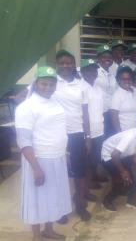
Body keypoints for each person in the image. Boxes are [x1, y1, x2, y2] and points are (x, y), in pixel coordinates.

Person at [15, 66, 71, 241]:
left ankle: (49, 229)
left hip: (58, 156)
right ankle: (36, 236)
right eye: (43, 84)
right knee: (37, 198)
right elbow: (24, 141)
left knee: (53, 196)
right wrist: (35, 168)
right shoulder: (26, 107)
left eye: (51, 84)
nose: (48, 88)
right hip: (39, 160)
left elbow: (59, 128)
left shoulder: (55, 102)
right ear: (35, 83)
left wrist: (65, 152)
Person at [52, 50, 93, 221]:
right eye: (62, 63)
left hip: (77, 133)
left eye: (68, 62)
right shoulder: (51, 82)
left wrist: (88, 136)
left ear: (73, 64)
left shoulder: (81, 84)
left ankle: (80, 204)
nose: (65, 66)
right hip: (55, 134)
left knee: (80, 172)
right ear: (57, 64)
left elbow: (85, 112)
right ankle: (60, 209)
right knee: (59, 173)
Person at [101, 114, 136, 212]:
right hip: (108, 156)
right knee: (121, 180)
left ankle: (131, 200)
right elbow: (114, 155)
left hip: (121, 156)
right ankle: (106, 201)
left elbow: (135, 154)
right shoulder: (130, 136)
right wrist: (123, 172)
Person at [80, 59, 108, 190]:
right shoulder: (80, 88)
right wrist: (87, 135)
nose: (92, 72)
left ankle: (95, 176)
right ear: (83, 71)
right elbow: (82, 113)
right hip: (87, 131)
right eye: (88, 69)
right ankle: (87, 184)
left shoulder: (98, 88)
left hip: (99, 129)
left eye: (94, 69)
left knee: (96, 157)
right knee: (87, 160)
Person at [95, 44, 117, 138]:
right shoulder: (93, 71)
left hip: (110, 114)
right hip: (98, 113)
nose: (107, 59)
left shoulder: (112, 76)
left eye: (109, 57)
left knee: (109, 139)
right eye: (104, 57)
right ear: (98, 58)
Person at [110, 66, 136, 132]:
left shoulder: (135, 91)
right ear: (118, 80)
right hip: (124, 133)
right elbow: (114, 118)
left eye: (129, 79)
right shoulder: (117, 95)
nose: (127, 81)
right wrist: (120, 134)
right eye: (123, 79)